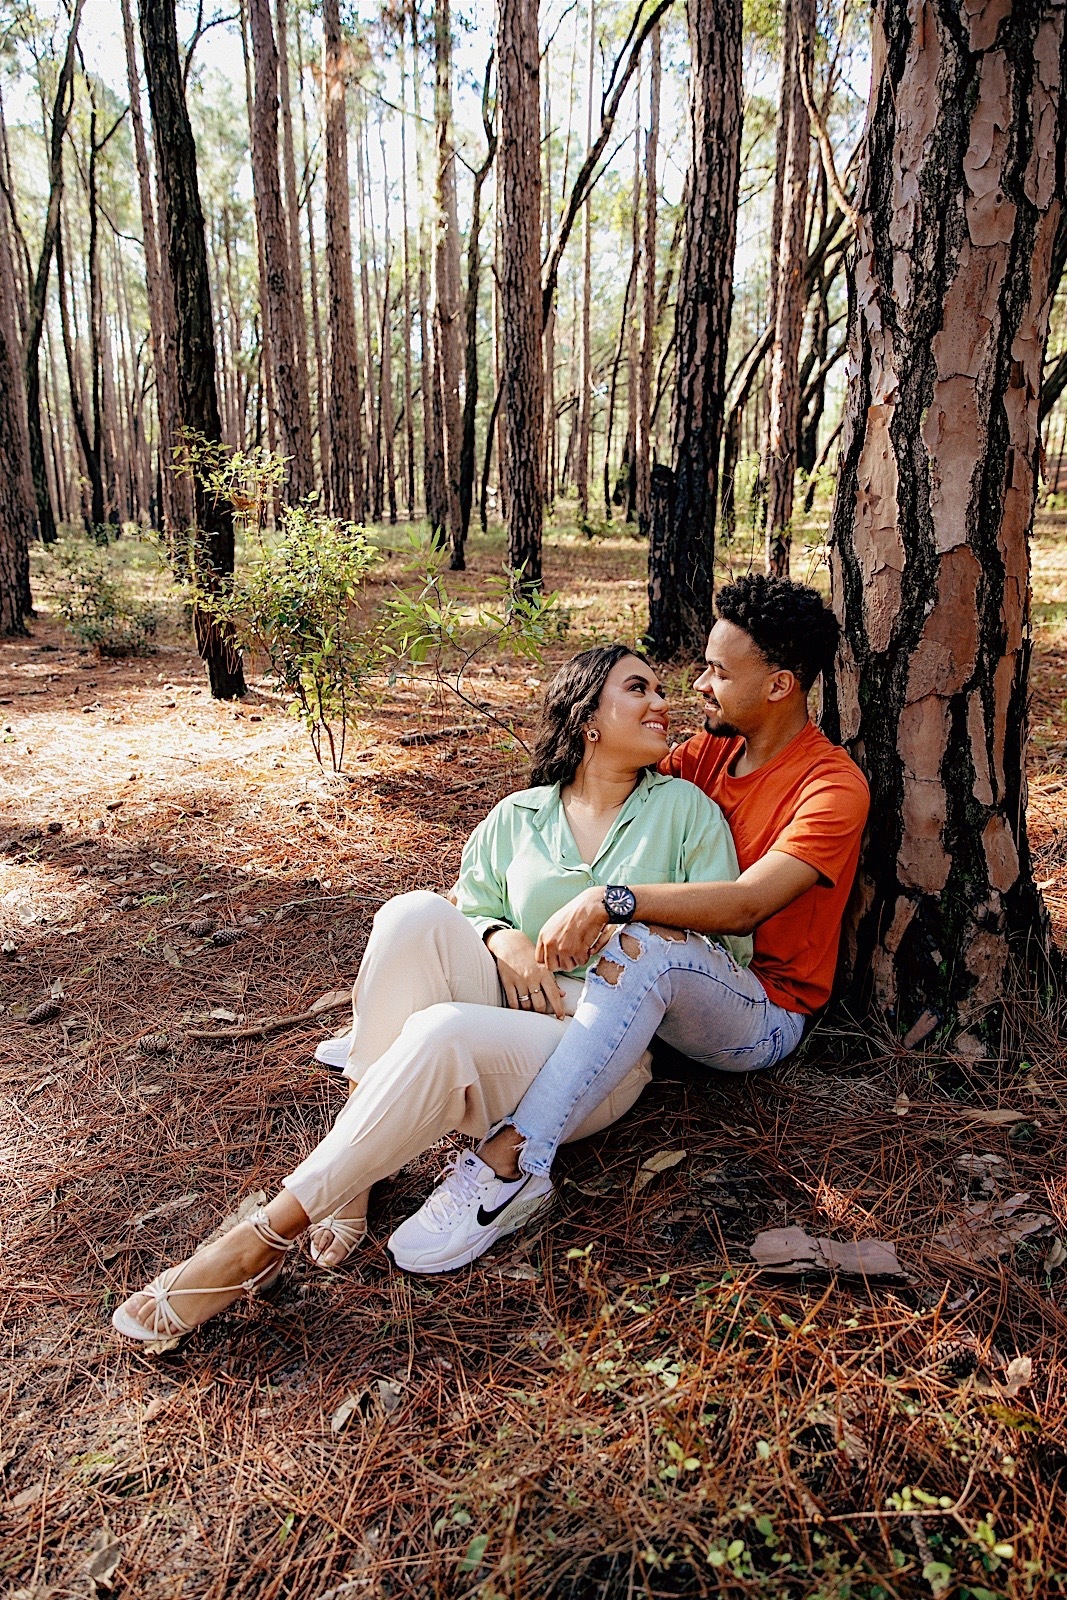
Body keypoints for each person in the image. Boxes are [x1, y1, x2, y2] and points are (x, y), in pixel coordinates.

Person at [112, 644, 750, 1342]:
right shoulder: (519, 815)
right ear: (587, 718)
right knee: (410, 914)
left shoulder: (684, 812)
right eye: (639, 688)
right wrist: (502, 939)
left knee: (441, 1030)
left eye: (659, 690)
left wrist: (600, 978)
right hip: (505, 1007)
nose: (662, 702)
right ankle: (353, 1176)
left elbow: (714, 959)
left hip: (596, 1053)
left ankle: (259, 1240)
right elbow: (468, 906)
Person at [390, 574, 870, 1273]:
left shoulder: (831, 785)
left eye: (718, 671)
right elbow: (608, 785)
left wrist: (611, 899)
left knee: (642, 940)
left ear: (778, 686)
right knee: (629, 945)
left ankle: (514, 1162)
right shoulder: (706, 755)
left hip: (760, 1011)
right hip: (652, 993)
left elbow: (746, 905)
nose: (698, 685)